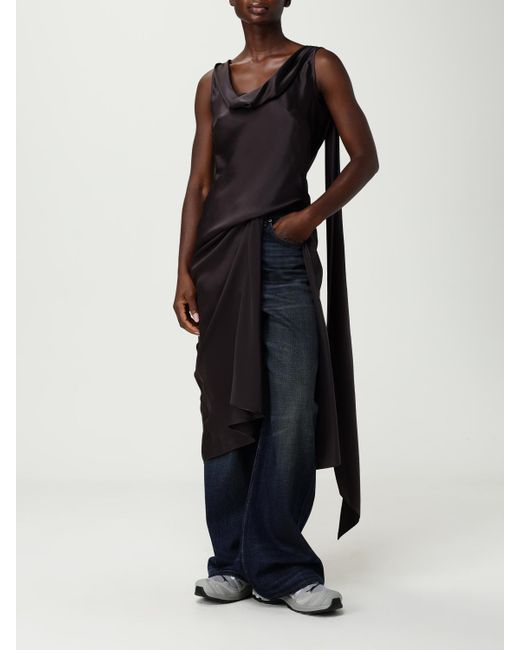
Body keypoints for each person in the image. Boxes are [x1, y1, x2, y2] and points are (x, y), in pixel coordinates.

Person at [173, 0, 379, 616]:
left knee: (292, 408)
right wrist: (183, 270)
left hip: (282, 255)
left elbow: (365, 157)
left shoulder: (318, 66)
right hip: (219, 258)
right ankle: (233, 563)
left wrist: (308, 218)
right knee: (225, 407)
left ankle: (283, 567)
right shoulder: (212, 84)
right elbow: (200, 184)